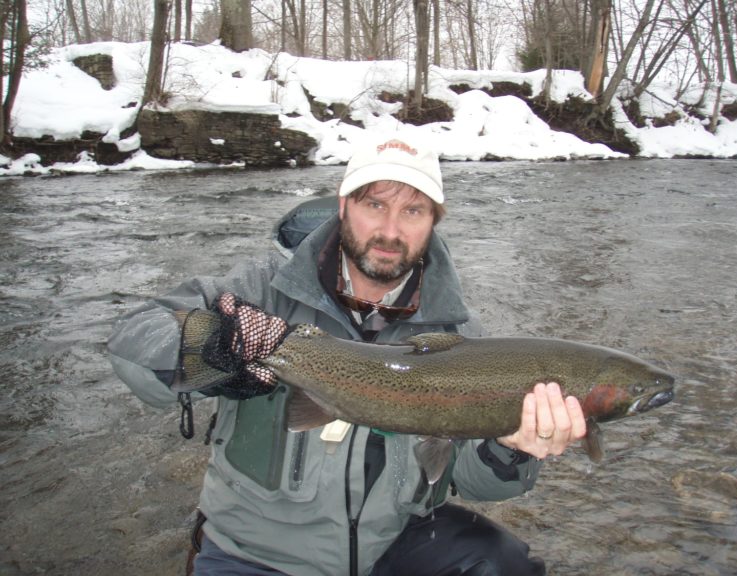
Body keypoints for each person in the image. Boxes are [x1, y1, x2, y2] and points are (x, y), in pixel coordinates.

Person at [108, 132, 587, 576]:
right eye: (374, 204)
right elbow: (134, 343)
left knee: (504, 563)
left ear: (434, 223)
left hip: (393, 544)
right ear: (343, 205)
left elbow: (477, 483)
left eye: (413, 212)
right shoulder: (259, 288)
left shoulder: (458, 334)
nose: (390, 230)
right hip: (253, 552)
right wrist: (216, 349)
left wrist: (511, 448)